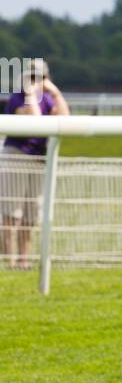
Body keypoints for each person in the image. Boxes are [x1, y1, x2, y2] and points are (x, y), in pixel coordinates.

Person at [1, 59, 69, 269]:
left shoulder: (48, 99)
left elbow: (65, 120)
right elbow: (35, 123)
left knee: (30, 215)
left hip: (38, 158)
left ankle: (23, 261)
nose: (34, 81)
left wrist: (55, 94)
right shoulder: (17, 99)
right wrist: (31, 94)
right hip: (17, 156)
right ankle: (8, 261)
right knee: (11, 214)